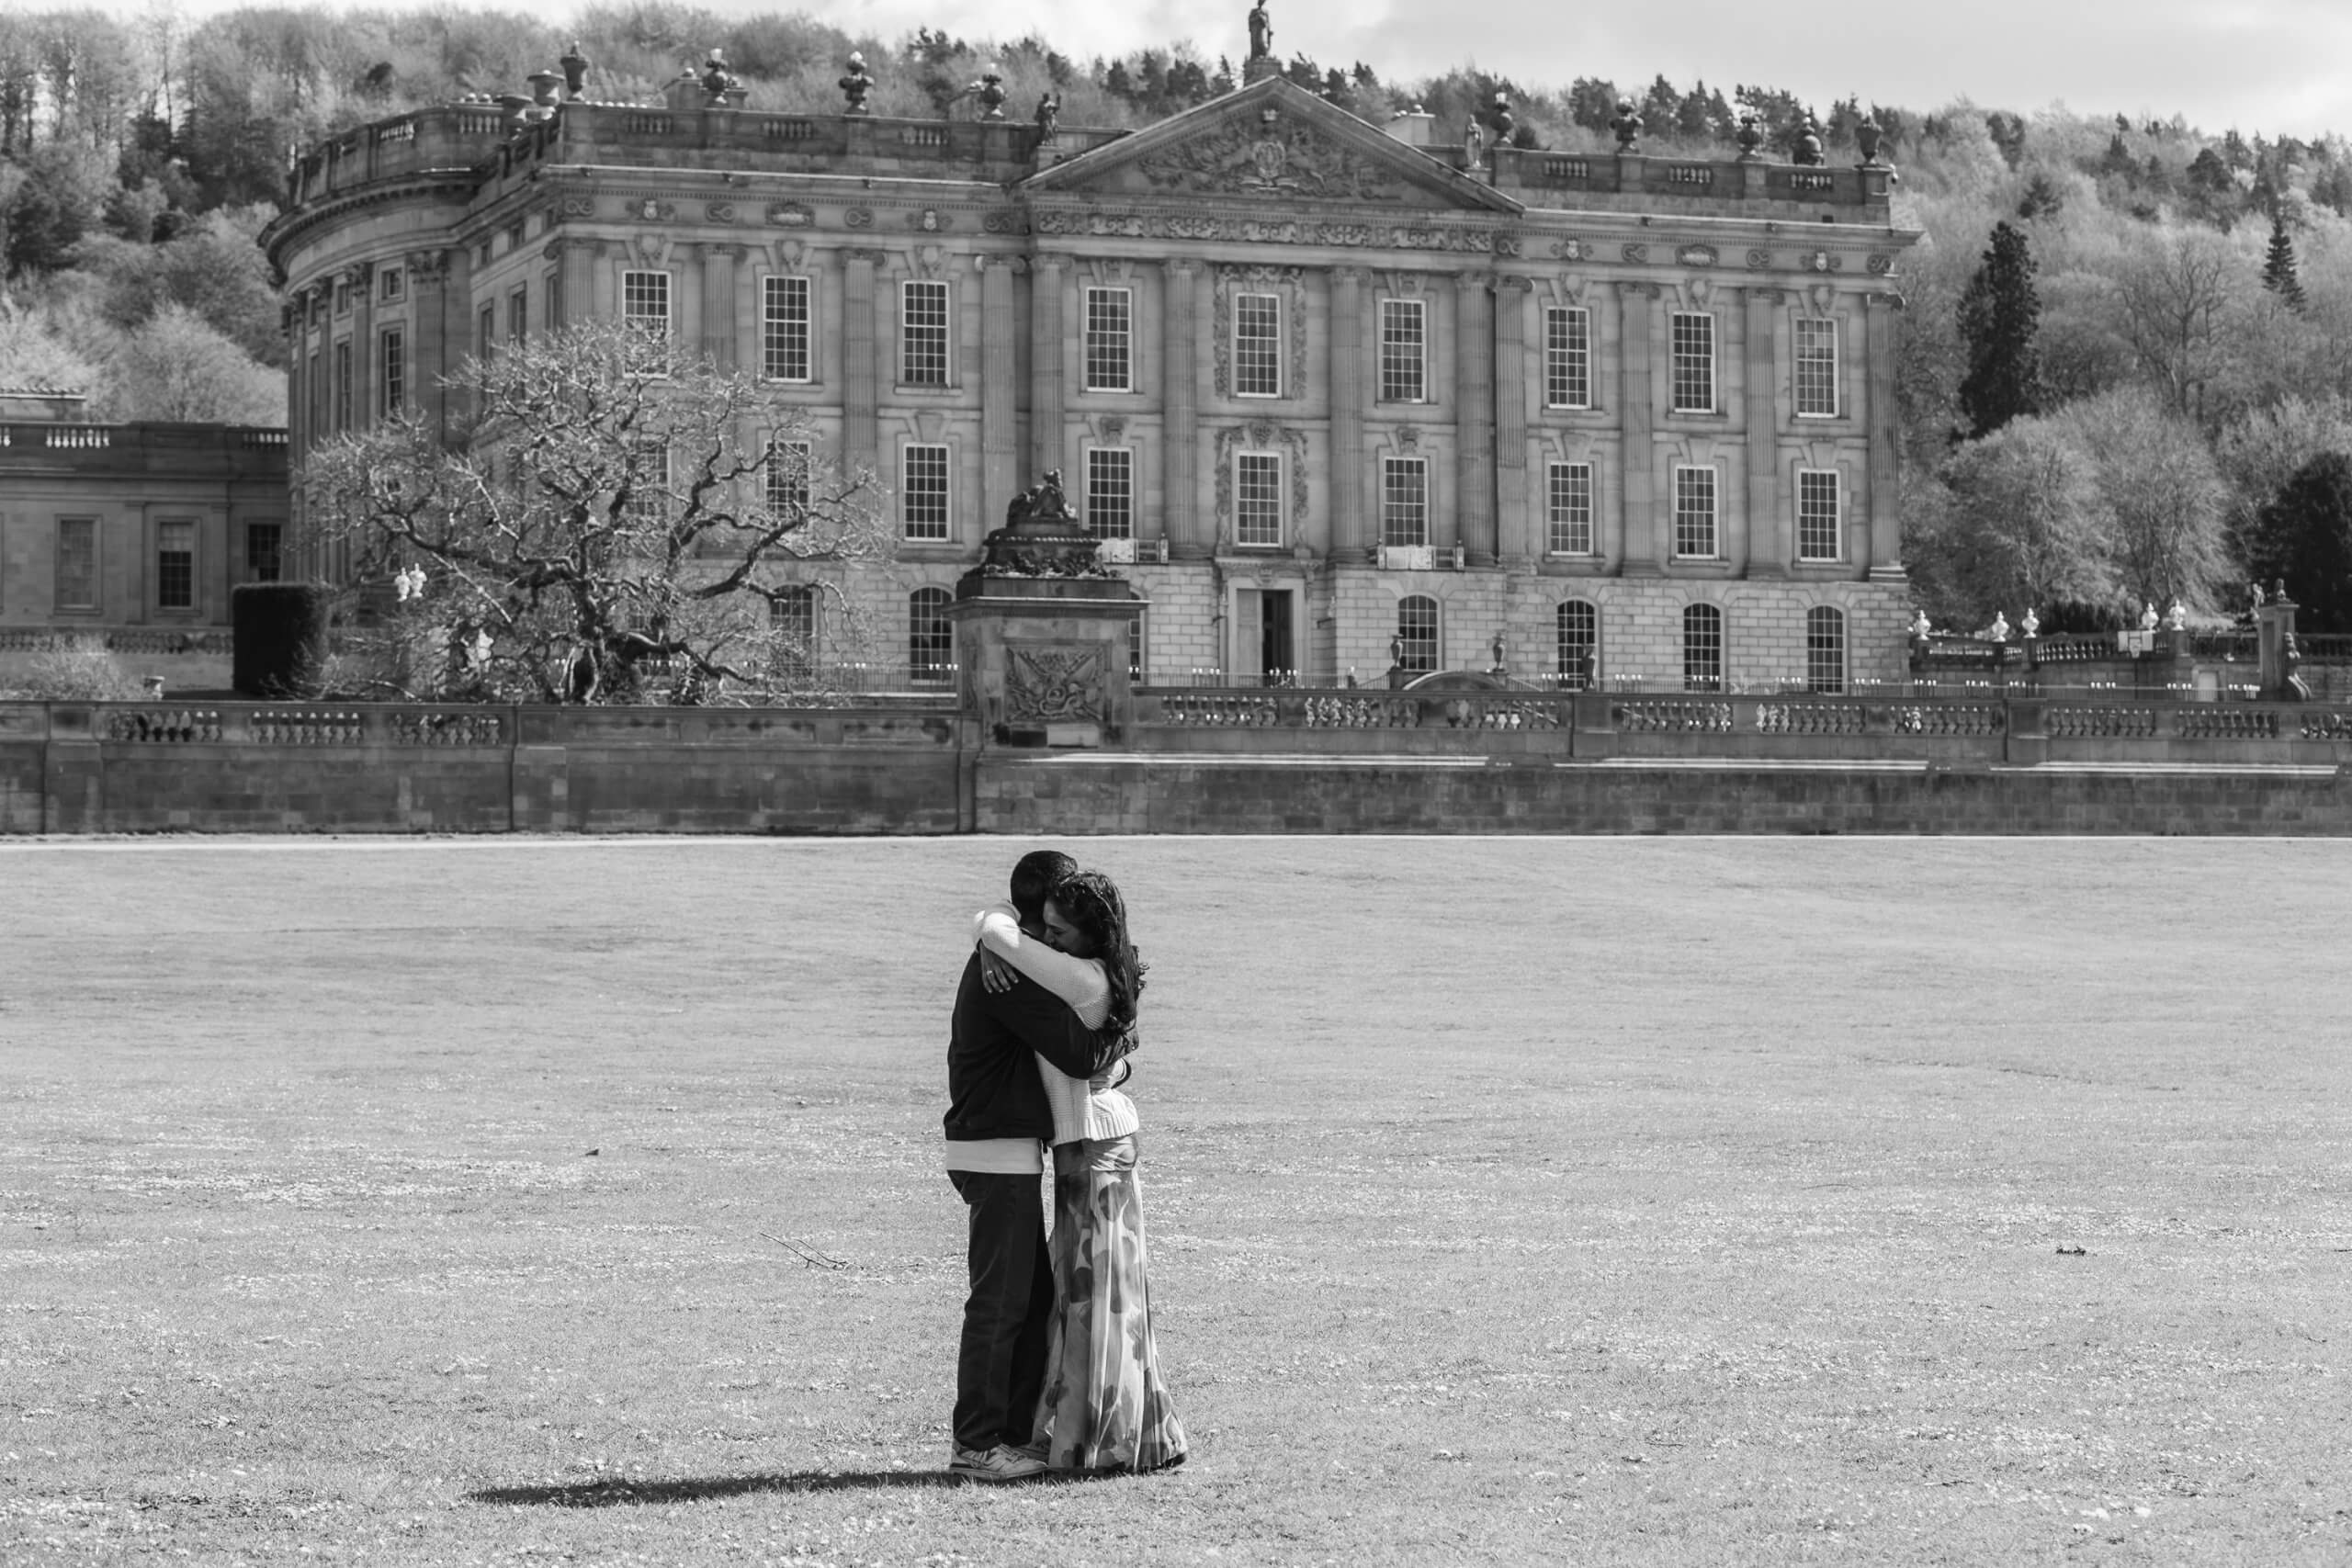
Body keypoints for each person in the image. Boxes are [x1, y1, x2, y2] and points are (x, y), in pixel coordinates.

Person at [973, 869, 1186, 1474]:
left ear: (1090, 935)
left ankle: (1093, 1439)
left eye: (1059, 931)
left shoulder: (1080, 975)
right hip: (1095, 1142)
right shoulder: (1092, 969)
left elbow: (997, 927)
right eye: (1045, 927)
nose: (1049, 940)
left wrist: (991, 939)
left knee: (1095, 1300)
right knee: (1097, 1298)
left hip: (1094, 1145)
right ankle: (1119, 1432)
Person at [944, 850, 1134, 1483]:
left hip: (1005, 1148)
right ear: (1038, 916)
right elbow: (1078, 1054)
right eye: (1050, 926)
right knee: (1000, 1302)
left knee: (1030, 1299)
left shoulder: (1010, 956)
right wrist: (1123, 1033)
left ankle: (1014, 1435)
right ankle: (975, 1445)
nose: (1054, 940)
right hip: (993, 1148)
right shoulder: (1010, 974)